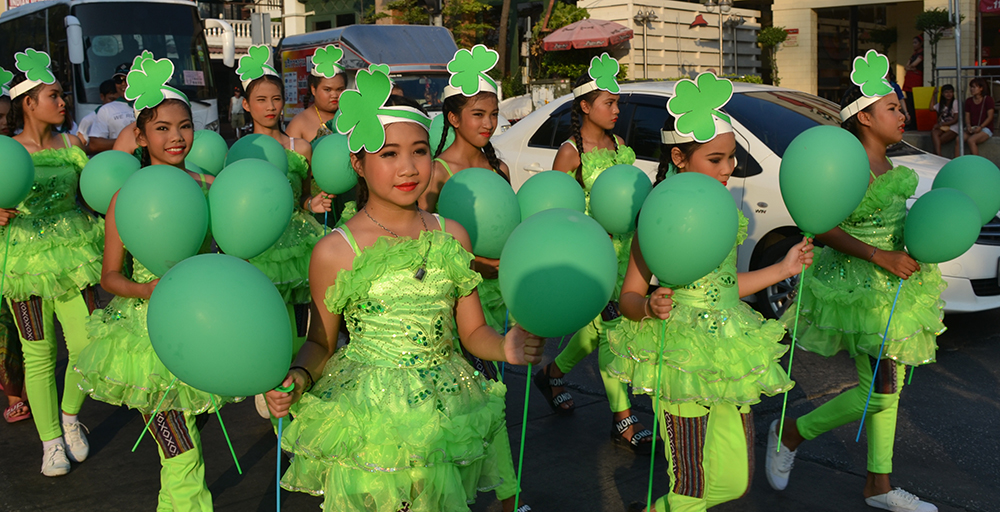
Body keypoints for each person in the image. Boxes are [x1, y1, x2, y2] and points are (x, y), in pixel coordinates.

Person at [265, 68, 545, 512]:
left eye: (419, 151)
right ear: (358, 163)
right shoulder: (335, 250)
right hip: (371, 416)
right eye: (389, 154)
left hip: (444, 409)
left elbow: (471, 332)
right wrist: (298, 378)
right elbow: (321, 340)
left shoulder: (452, 234)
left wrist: (505, 346)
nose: (408, 168)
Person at [615, 73, 812, 512]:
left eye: (731, 158)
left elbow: (726, 287)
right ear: (680, 157)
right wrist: (647, 305)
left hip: (728, 353)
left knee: (733, 483)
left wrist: (782, 267)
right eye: (717, 159)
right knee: (689, 484)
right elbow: (629, 295)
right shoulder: (660, 216)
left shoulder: (724, 212)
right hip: (681, 357)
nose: (728, 169)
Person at [766, 51, 943, 512]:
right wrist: (879, 255)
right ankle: (792, 431)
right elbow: (819, 224)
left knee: (889, 386)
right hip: (857, 288)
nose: (903, 115)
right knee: (881, 389)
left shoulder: (890, 166)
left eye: (901, 107)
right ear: (864, 117)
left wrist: (913, 250)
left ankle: (879, 487)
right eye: (892, 107)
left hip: (894, 288)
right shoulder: (847, 165)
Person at [75, 54, 236, 511]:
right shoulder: (126, 199)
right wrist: (147, 290)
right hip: (147, 341)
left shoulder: (210, 186)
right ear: (140, 136)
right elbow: (110, 276)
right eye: (162, 128)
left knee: (182, 449)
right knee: (183, 453)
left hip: (203, 330)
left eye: (184, 126)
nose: (176, 137)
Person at [418, 45, 528, 512]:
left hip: (499, 298)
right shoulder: (435, 173)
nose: (488, 123)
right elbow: (427, 247)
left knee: (489, 401)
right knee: (486, 404)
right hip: (459, 303)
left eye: (494, 114)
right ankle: (508, 497)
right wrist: (481, 266)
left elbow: (509, 228)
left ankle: (484, 490)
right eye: (478, 114)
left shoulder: (498, 167)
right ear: (453, 117)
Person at [531, 54, 655, 456]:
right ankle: (622, 415)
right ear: (585, 106)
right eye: (609, 103)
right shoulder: (571, 153)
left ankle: (551, 373)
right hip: (593, 252)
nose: (617, 111)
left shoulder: (622, 147)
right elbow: (560, 208)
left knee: (599, 330)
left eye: (618, 103)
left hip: (627, 252)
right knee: (612, 332)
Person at [1, 49, 102, 476]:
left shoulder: (72, 143)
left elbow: (114, 161)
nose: (63, 103)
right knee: (38, 353)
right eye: (54, 96)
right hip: (22, 262)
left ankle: (69, 417)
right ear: (29, 103)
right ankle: (50, 445)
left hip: (74, 256)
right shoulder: (5, 150)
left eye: (62, 96)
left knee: (85, 346)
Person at [236, 45, 330, 419]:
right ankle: (271, 386)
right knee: (269, 328)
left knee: (304, 331)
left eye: (276, 98)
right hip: (260, 247)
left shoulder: (301, 147)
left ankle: (295, 399)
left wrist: (314, 204)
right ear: (246, 105)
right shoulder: (241, 151)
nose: (270, 106)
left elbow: (302, 198)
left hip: (299, 244)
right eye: (260, 99)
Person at [0, 73, 30, 424]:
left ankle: (23, 390)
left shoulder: (18, 151)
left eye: (9, 117)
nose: (5, 124)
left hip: (19, 251)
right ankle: (13, 393)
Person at [286, 44, 347, 143]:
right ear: (313, 89)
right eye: (327, 90)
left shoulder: (353, 116)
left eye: (340, 89)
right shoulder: (299, 123)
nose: (335, 95)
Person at [95, 62, 137, 140]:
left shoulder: (149, 105)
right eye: (118, 80)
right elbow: (95, 144)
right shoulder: (106, 110)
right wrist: (127, 143)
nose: (123, 84)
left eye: (127, 79)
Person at [76, 79, 118, 154]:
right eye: (111, 99)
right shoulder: (88, 120)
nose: (115, 103)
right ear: (102, 97)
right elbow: (80, 148)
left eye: (118, 100)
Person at [960, 77, 994, 157]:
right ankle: (957, 161)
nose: (972, 89)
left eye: (974, 87)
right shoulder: (969, 101)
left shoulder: (988, 100)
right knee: (959, 139)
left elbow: (990, 116)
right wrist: (968, 126)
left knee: (971, 140)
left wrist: (981, 127)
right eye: (971, 87)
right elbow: (967, 116)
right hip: (972, 127)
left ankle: (976, 163)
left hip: (985, 127)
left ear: (981, 88)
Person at [930, 84, 959, 156]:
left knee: (937, 141)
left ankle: (937, 155)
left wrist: (941, 124)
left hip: (953, 126)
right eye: (946, 92)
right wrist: (933, 95)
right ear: (942, 94)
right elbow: (931, 108)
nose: (949, 94)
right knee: (934, 132)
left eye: (951, 92)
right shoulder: (941, 104)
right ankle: (938, 154)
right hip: (943, 127)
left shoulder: (955, 103)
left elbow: (955, 119)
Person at [902, 35, 924, 131]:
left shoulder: (921, 54)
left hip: (916, 81)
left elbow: (913, 65)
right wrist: (911, 68)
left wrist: (911, 67)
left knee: (915, 103)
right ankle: (911, 124)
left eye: (915, 43)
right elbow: (907, 66)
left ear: (920, 43)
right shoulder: (914, 54)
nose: (914, 45)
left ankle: (915, 124)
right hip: (909, 80)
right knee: (909, 103)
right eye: (913, 43)